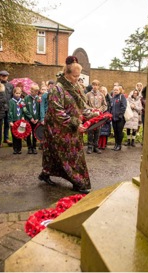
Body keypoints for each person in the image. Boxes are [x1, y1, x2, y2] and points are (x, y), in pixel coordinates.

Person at [39, 56, 98, 194]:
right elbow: (57, 111)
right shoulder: (57, 89)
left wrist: (92, 113)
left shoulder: (76, 86)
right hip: (58, 128)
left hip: (73, 127)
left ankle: (45, 173)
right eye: (74, 76)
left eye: (79, 76)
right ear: (67, 73)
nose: (77, 79)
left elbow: (82, 105)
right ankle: (77, 182)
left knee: (70, 154)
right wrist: (75, 123)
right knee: (67, 154)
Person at [86, 80, 107, 154]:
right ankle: (89, 146)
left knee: (98, 131)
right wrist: (92, 109)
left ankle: (96, 147)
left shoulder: (101, 95)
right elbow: (85, 105)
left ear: (99, 86)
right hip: (91, 115)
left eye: (97, 85)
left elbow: (105, 105)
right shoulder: (88, 94)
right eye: (94, 85)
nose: (95, 86)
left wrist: (100, 109)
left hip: (99, 115)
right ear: (92, 86)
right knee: (90, 131)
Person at [8, 87, 28, 154]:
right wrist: (10, 121)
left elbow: (23, 110)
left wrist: (22, 117)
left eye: (19, 93)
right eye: (16, 93)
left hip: (20, 121)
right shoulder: (11, 101)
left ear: (21, 93)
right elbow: (9, 111)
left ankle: (19, 149)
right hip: (13, 121)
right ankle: (15, 148)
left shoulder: (22, 101)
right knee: (14, 134)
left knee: (20, 134)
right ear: (13, 93)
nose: (17, 94)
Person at [24, 84, 40, 154]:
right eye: (31, 90)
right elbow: (24, 109)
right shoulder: (26, 98)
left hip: (36, 120)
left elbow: (40, 109)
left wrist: (37, 118)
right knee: (28, 133)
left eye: (33, 91)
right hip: (29, 119)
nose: (31, 92)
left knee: (34, 133)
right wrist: (30, 117)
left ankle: (34, 147)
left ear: (37, 92)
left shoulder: (39, 99)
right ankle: (29, 147)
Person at [0, 70, 14, 146]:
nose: (4, 77)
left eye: (5, 76)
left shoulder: (10, 85)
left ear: (7, 76)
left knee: (7, 124)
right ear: (0, 76)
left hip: (8, 108)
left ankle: (6, 138)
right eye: (2, 76)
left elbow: (12, 96)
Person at [110, 84, 127, 151]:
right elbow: (111, 107)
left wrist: (120, 115)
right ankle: (116, 144)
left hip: (120, 119)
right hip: (114, 118)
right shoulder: (113, 98)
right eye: (114, 90)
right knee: (115, 132)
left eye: (116, 90)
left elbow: (124, 106)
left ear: (120, 90)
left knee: (119, 132)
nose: (115, 91)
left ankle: (119, 145)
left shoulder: (122, 96)